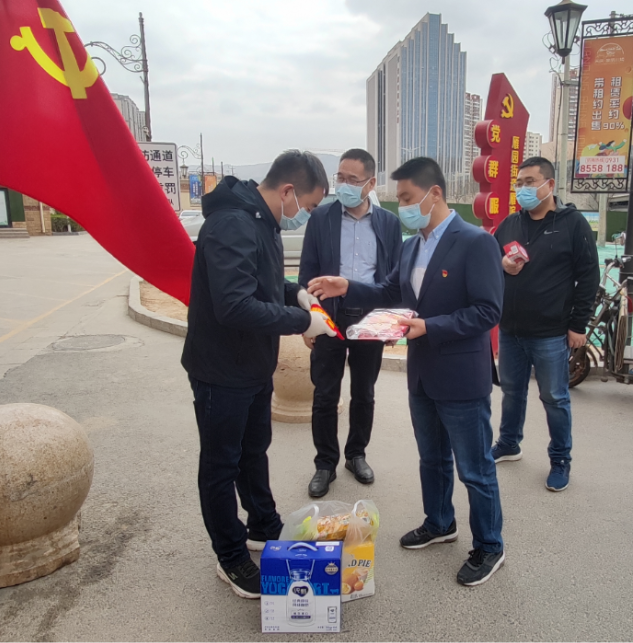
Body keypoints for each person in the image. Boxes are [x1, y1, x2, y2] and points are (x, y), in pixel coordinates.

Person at [308, 157, 506, 587]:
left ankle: (490, 545)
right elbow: (389, 290)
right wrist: (348, 286)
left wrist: (429, 327)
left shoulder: (475, 242)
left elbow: (488, 311)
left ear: (435, 193)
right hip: (422, 374)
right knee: (432, 458)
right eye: (398, 199)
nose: (402, 207)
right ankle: (439, 522)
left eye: (407, 198)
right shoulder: (413, 245)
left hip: (460, 375)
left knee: (474, 469)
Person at [181, 150, 337, 599]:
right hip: (221, 369)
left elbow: (263, 283)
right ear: (288, 191)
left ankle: (263, 525)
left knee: (253, 452)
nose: (305, 216)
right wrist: (301, 321)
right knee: (221, 464)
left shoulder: (261, 221)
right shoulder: (232, 224)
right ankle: (230, 556)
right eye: (308, 206)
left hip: (251, 366)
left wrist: (296, 294)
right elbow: (234, 305)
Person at [491, 157, 599, 492]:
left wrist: (578, 325)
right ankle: (509, 443)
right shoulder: (510, 223)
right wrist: (502, 264)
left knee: (554, 397)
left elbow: (589, 277)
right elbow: (490, 261)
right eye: (519, 183)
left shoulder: (573, 224)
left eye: (530, 182)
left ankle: (560, 459)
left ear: (549, 185)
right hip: (511, 329)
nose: (522, 189)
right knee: (512, 392)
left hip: (551, 333)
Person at [299, 149, 403, 496]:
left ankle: (356, 454)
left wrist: (392, 321)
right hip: (329, 317)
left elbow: (394, 277)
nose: (343, 185)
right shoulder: (322, 218)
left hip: (370, 319)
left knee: (364, 393)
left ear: (370, 183)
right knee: (325, 394)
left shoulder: (388, 223)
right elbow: (307, 272)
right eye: (340, 177)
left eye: (352, 180)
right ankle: (325, 463)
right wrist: (309, 320)